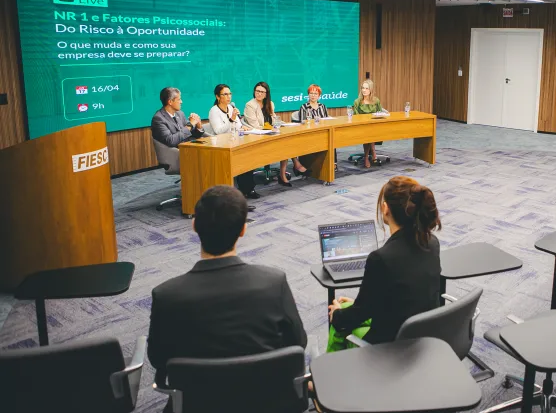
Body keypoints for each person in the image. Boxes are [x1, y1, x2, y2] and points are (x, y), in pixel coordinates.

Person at [147, 185, 307, 410]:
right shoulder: (274, 282)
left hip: (197, 404)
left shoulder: (166, 295)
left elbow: (159, 359)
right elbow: (298, 342)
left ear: (194, 226)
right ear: (243, 230)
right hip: (268, 401)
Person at [327, 176, 441, 350]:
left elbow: (359, 314)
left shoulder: (381, 258)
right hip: (422, 336)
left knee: (338, 323)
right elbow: (404, 293)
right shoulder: (432, 242)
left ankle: (326, 374)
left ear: (385, 208)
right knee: (346, 306)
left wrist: (336, 316)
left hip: (389, 348)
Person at [243, 82, 309, 187]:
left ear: (266, 94)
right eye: (257, 91)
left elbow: (274, 120)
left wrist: (284, 125)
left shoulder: (270, 104)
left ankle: (284, 174)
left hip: (270, 133)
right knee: (284, 143)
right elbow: (254, 125)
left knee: (286, 141)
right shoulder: (250, 105)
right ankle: (293, 167)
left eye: (262, 92)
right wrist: (271, 128)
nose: (259, 94)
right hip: (258, 135)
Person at [208, 84, 258, 198]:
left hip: (233, 141)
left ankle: (248, 189)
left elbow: (238, 125)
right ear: (217, 96)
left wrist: (242, 127)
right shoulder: (214, 111)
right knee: (242, 157)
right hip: (221, 145)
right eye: (225, 94)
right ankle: (243, 190)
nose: (228, 96)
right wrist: (231, 119)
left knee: (248, 155)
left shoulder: (230, 107)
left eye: (229, 94)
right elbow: (218, 131)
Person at [352, 79, 383, 168]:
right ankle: (371, 154)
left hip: (374, 125)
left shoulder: (376, 100)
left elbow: (380, 113)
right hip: (361, 126)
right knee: (368, 133)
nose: (364, 90)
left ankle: (368, 156)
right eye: (363, 88)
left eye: (367, 88)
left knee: (371, 131)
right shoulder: (357, 101)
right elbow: (356, 116)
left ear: (371, 90)